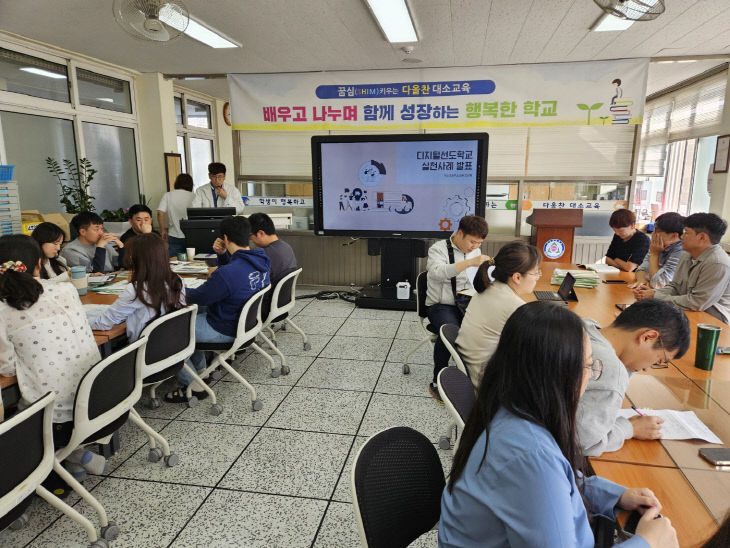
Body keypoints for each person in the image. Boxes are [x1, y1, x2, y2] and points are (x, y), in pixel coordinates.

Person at [439, 301, 678, 548]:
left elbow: (559, 479)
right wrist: (648, 543)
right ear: (557, 376)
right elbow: (543, 472)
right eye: (587, 365)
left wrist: (616, 495)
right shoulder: (530, 455)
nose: (591, 374)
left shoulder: (512, 404)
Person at [0, 234, 106, 478]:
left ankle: (69, 458)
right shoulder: (66, 290)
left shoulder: (3, 308)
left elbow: (6, 369)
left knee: (16, 416)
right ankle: (74, 459)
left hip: (54, 416)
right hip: (94, 398)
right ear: (39, 264)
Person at [164, 216, 270, 403]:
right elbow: (233, 277)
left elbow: (198, 296)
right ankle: (202, 372)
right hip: (244, 324)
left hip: (224, 328)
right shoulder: (262, 260)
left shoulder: (228, 273)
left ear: (226, 238)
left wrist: (171, 287)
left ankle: (193, 386)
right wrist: (223, 255)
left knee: (169, 332)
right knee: (191, 317)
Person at [577, 299, 690, 457]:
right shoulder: (611, 372)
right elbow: (583, 443)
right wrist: (629, 428)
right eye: (658, 360)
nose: (646, 368)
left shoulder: (582, 325)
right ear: (647, 337)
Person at [455, 241, 541, 390]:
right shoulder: (515, 306)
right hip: (487, 383)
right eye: (535, 273)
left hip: (472, 367)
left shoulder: (488, 288)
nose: (538, 277)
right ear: (517, 277)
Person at [425, 215, 490, 402]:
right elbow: (436, 274)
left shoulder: (475, 252)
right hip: (441, 304)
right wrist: (469, 263)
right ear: (460, 233)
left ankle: (472, 376)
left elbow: (475, 278)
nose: (474, 247)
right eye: (472, 242)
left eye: (479, 243)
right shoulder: (438, 249)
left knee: (482, 330)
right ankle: (437, 381)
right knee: (450, 332)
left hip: (466, 301)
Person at [633, 212, 730, 323]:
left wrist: (655, 295)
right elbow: (675, 287)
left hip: (712, 319)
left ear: (702, 237)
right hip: (686, 310)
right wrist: (650, 293)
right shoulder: (687, 255)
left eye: (686, 233)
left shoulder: (717, 263)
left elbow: (697, 302)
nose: (682, 236)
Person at [87, 234, 185, 341]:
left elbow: (103, 323)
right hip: (171, 345)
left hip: (143, 349)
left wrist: (78, 321)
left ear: (136, 259)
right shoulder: (177, 280)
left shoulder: (136, 289)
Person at [629, 212, 684, 289]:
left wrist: (655, 254)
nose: (653, 234)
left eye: (657, 231)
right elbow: (641, 269)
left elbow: (658, 284)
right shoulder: (658, 245)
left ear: (674, 236)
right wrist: (642, 281)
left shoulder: (681, 251)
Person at [244, 212, 296, 284]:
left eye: (250, 236)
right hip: (283, 294)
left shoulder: (265, 255)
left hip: (268, 293)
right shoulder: (286, 247)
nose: (251, 240)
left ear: (260, 233)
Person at [157, 173, 195, 257]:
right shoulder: (194, 196)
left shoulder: (168, 195)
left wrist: (163, 230)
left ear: (176, 183)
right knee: (192, 262)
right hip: (191, 235)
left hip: (174, 235)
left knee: (174, 263)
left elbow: (160, 213)